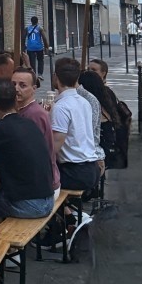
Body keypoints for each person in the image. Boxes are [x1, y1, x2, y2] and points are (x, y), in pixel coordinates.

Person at [0, 77, 55, 219]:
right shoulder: (29, 123)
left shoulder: (0, 128)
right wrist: (2, 183)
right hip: (48, 199)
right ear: (15, 100)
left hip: (31, 206)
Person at [50, 56, 100, 199]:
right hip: (92, 168)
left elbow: (54, 148)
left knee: (33, 179)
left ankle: (67, 217)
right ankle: (68, 214)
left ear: (55, 77)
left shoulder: (61, 107)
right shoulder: (84, 102)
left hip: (75, 172)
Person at [12, 66, 59, 191]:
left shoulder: (33, 115)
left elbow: (31, 156)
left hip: (43, 185)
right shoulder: (24, 110)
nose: (16, 89)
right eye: (13, 84)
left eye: (22, 85)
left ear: (34, 89)